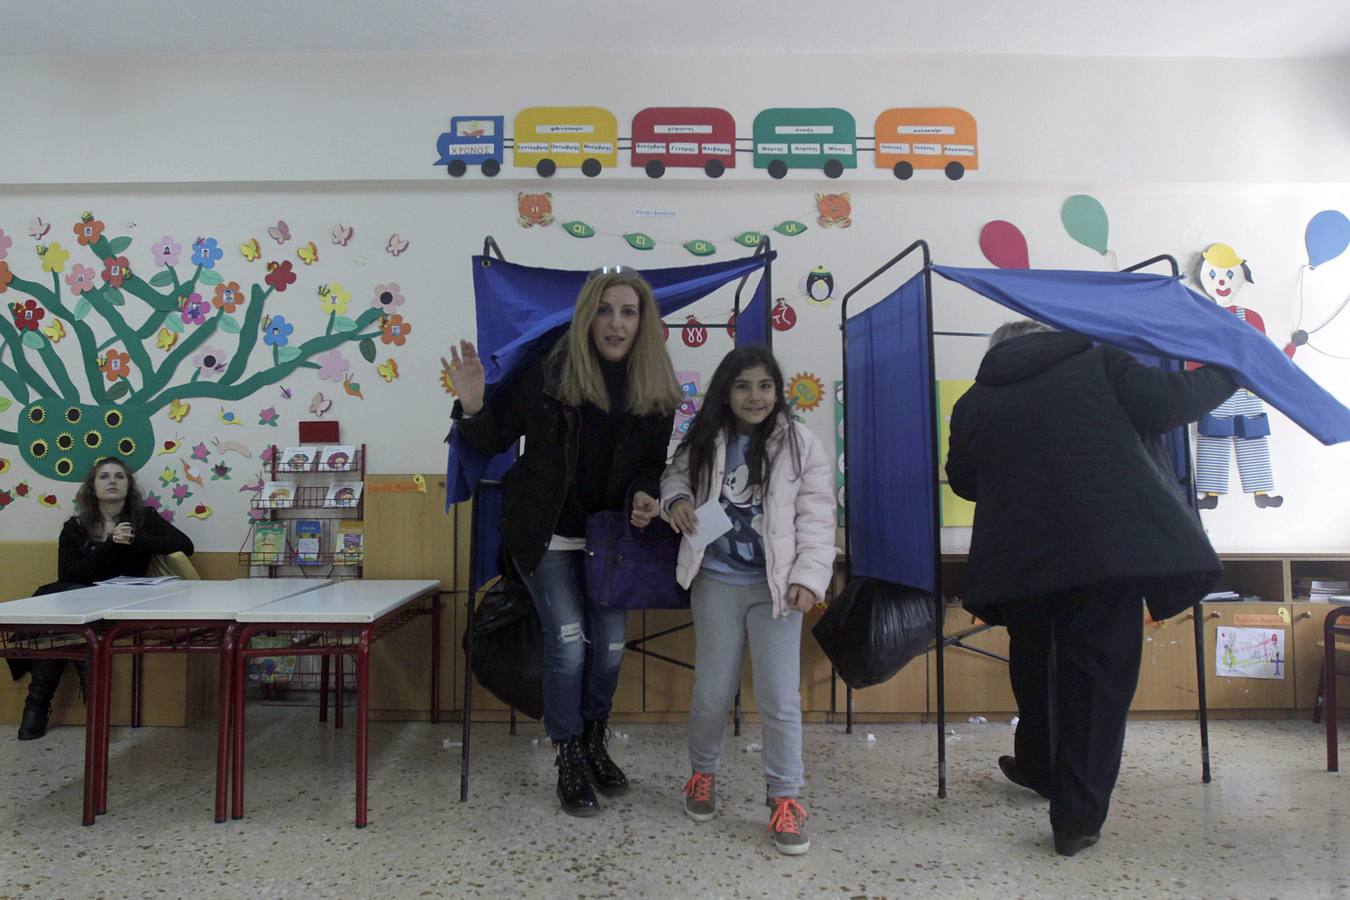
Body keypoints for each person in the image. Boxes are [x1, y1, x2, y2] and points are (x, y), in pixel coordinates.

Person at [944, 321, 1237, 857]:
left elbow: (963, 480)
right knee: (1096, 682)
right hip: (1104, 552)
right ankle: (1074, 820)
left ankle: (1038, 767)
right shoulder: (1100, 362)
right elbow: (1169, 403)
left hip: (1019, 562)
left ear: (999, 351)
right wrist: (1234, 367)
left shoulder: (975, 399)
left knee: (1036, 664)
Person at [447, 267, 681, 816]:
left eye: (628, 311)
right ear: (587, 316)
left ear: (643, 322)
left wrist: (646, 496)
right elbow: (495, 437)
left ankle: (594, 737)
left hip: (610, 540)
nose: (616, 322)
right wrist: (475, 402)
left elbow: (649, 468)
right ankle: (569, 752)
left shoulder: (656, 388)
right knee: (570, 644)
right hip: (546, 530)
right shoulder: (551, 369)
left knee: (612, 649)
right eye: (605, 310)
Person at [660, 345, 836, 856]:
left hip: (776, 590)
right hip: (715, 581)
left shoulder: (800, 444)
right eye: (742, 386)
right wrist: (677, 500)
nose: (755, 396)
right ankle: (702, 774)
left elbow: (819, 517)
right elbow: (674, 476)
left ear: (778, 391)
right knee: (712, 691)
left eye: (764, 385)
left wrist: (809, 577)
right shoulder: (706, 439)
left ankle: (785, 797)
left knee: (780, 697)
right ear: (726, 392)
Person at [10, 456, 194, 740]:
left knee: (57, 614)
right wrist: (109, 546)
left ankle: (36, 706)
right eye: (104, 476)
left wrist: (135, 540)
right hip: (79, 603)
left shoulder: (145, 518)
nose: (112, 481)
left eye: (119, 476)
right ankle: (86, 705)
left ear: (128, 485)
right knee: (64, 611)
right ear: (92, 487)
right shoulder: (75, 527)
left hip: (123, 604)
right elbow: (69, 575)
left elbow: (185, 545)